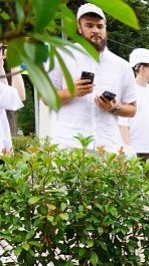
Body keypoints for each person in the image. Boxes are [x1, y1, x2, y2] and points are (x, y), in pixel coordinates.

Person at [46, 3, 136, 153]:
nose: (95, 30)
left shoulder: (122, 66)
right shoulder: (61, 56)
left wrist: (114, 108)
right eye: (89, 25)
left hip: (107, 146)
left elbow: (132, 109)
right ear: (79, 28)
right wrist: (72, 91)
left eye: (100, 26)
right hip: (69, 144)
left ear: (105, 28)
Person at [118, 48, 149, 173]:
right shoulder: (129, 90)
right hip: (135, 150)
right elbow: (122, 124)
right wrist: (128, 148)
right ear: (141, 68)